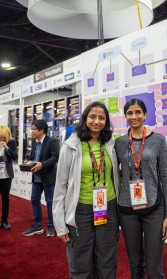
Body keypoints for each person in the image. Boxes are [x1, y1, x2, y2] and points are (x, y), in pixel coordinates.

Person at [53, 101, 120, 279]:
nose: (96, 121)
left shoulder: (110, 143)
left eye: (101, 118)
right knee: (80, 262)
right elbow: (60, 186)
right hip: (80, 210)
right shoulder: (71, 146)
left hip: (108, 207)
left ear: (106, 121)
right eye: (92, 117)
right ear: (84, 119)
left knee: (107, 260)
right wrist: (60, 224)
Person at [115, 98, 167, 279]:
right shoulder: (120, 142)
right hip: (127, 209)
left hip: (154, 208)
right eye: (130, 113)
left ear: (145, 114)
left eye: (138, 112)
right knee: (135, 267)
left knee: (154, 269)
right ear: (125, 116)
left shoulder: (158, 140)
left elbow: (165, 177)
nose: (134, 116)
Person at [22, 119, 59, 237]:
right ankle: (37, 226)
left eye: (33, 129)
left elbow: (55, 157)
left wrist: (42, 164)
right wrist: (28, 163)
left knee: (50, 202)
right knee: (34, 200)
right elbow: (33, 157)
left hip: (48, 177)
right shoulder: (34, 142)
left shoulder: (51, 142)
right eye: (31, 129)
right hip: (37, 177)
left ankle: (50, 226)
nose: (31, 131)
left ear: (42, 130)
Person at [0, 126, 18, 230]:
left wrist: (7, 148)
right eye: (0, 137)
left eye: (4, 137)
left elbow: (14, 156)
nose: (2, 139)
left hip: (6, 176)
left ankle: (4, 221)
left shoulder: (11, 142)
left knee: (6, 199)